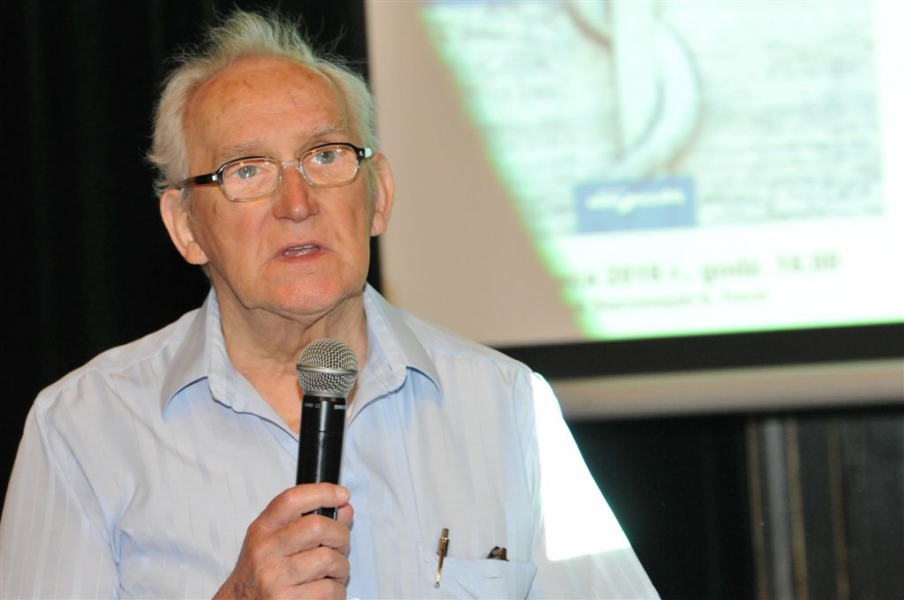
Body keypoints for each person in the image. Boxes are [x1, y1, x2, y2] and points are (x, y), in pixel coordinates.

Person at [0, 10, 658, 599]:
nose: (297, 203)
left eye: (325, 156)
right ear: (185, 225)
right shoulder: (84, 430)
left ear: (379, 195)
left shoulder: (510, 407)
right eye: (247, 170)